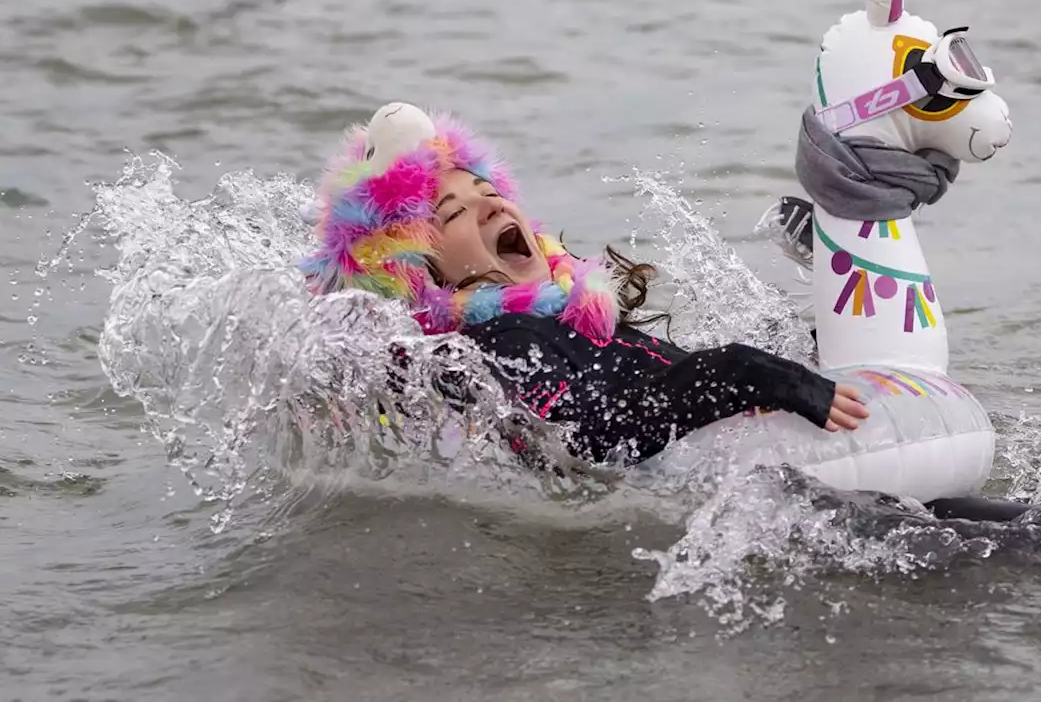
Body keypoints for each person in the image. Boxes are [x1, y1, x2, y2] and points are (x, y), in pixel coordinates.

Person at [300, 103, 870, 468]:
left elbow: (664, 386)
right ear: (424, 273)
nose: (491, 203)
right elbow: (593, 438)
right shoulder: (502, 340)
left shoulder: (569, 319)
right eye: (453, 213)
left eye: (486, 189)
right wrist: (748, 374)